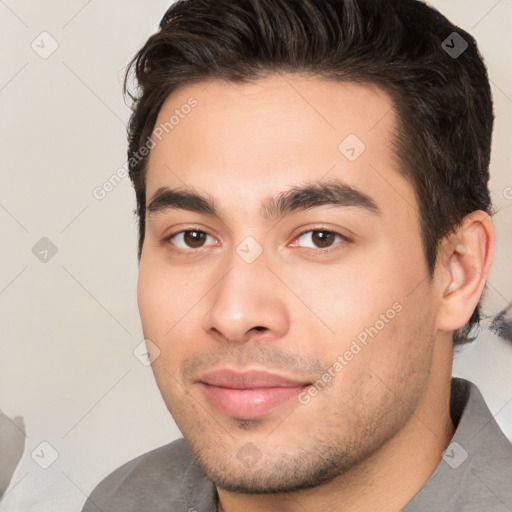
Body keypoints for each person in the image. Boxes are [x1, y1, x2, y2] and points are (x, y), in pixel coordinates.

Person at [82, 0, 512, 510]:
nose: (235, 314)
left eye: (320, 238)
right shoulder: (124, 499)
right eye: (193, 237)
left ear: (458, 270)